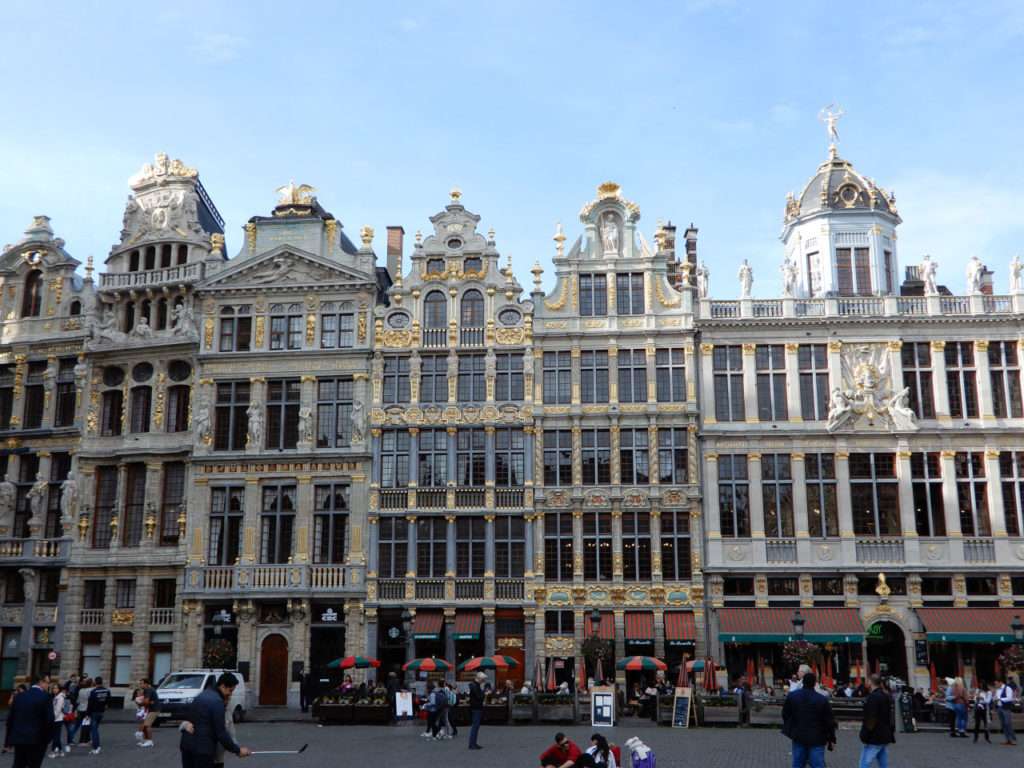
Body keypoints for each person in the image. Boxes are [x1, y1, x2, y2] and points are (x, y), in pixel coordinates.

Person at [179, 672, 251, 768]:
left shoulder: (201, 695)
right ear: (222, 686)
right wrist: (237, 750)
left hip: (187, 746)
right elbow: (221, 732)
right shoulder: (217, 702)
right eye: (230, 690)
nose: (230, 694)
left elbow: (189, 718)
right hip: (203, 750)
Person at [782, 672, 836, 768]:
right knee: (818, 764)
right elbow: (829, 721)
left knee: (798, 763)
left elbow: (785, 714)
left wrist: (792, 727)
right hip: (817, 737)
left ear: (803, 682)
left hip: (798, 735)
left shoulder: (792, 696)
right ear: (815, 684)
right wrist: (832, 738)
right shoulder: (822, 700)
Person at [4, 672, 52, 768]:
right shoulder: (45, 697)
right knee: (34, 765)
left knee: (18, 764)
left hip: (19, 737)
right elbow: (49, 720)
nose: (48, 685)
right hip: (37, 739)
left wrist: (8, 740)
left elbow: (11, 719)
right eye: (48, 683)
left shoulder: (19, 697)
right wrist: (48, 738)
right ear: (42, 683)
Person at [860, 674, 895, 768]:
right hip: (885, 734)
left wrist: (865, 736)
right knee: (883, 763)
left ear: (870, 682)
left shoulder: (873, 697)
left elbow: (871, 718)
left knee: (864, 763)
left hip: (874, 736)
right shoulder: (886, 696)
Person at [83, 676, 109, 755]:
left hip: (94, 712)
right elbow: (108, 700)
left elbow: (90, 704)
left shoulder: (93, 691)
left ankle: (96, 747)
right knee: (95, 729)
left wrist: (87, 714)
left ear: (95, 682)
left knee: (94, 730)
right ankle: (96, 744)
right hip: (101, 712)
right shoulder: (106, 690)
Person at [994, 677, 1018, 745]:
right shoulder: (997, 690)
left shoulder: (1007, 688)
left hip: (1005, 708)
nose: (996, 685)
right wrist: (994, 698)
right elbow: (996, 697)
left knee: (1008, 723)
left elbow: (1009, 698)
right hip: (999, 707)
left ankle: (1013, 739)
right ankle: (1008, 739)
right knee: (1003, 724)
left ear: (1000, 682)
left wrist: (1000, 699)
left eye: (997, 683)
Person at [138, 677, 161, 747]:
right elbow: (147, 702)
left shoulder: (149, 689)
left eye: (141, 683)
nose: (140, 685)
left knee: (147, 724)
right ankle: (146, 739)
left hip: (154, 710)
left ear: (146, 684)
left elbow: (146, 701)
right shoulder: (147, 690)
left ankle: (150, 740)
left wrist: (140, 703)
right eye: (140, 683)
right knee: (145, 724)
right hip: (150, 709)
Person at [467, 671, 485, 750]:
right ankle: (472, 744)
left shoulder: (475, 685)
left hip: (476, 708)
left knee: (476, 726)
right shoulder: (475, 686)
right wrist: (485, 694)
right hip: (476, 708)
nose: (483, 681)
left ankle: (473, 743)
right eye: (483, 679)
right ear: (479, 678)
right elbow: (478, 697)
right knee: (475, 726)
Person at [48, 682, 66, 758]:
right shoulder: (55, 697)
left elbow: (58, 710)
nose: (55, 690)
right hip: (55, 719)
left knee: (56, 736)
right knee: (56, 735)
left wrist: (52, 718)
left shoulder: (60, 698)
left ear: (59, 689)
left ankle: (52, 751)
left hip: (57, 719)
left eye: (56, 688)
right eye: (54, 688)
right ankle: (60, 750)